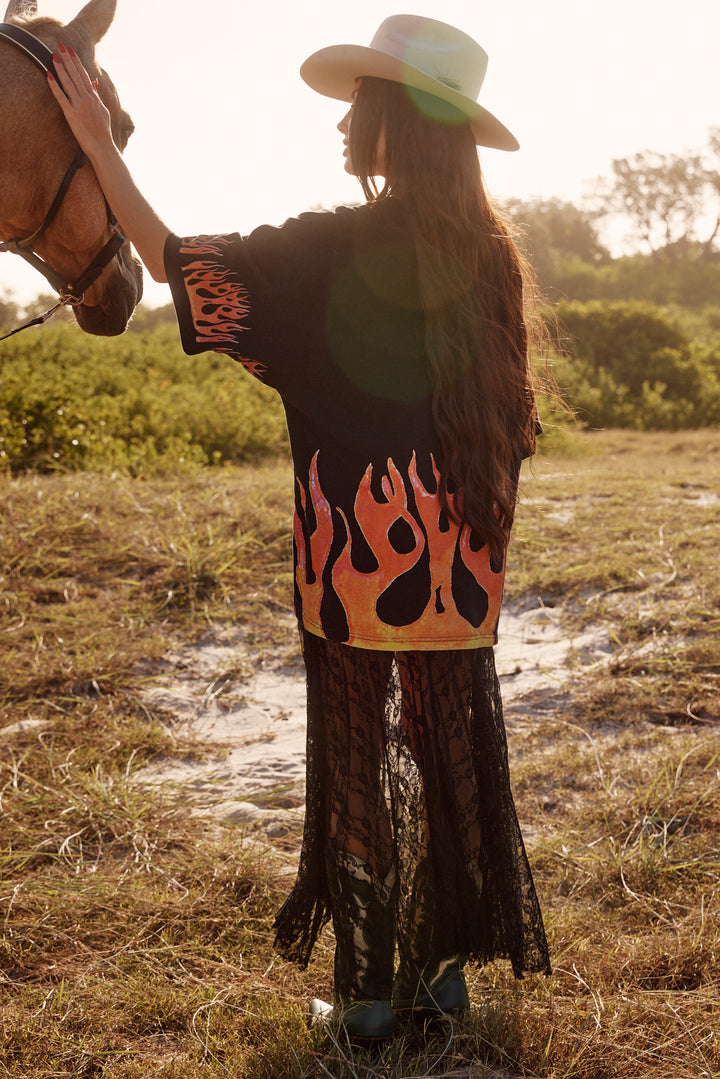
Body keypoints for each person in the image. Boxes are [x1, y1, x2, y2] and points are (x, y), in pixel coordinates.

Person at [49, 13, 551, 1043]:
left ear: (395, 121)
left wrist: (98, 142)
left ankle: (367, 993)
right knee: (450, 743)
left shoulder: (334, 244)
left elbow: (183, 266)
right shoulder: (494, 255)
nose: (340, 125)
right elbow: (513, 421)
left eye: (358, 103)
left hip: (355, 559)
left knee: (358, 752)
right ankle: (439, 975)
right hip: (459, 563)